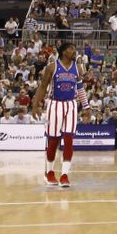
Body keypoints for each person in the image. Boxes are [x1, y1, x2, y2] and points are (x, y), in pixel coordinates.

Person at [31, 43, 83, 188]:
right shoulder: (52, 67)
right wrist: (35, 106)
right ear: (63, 52)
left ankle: (65, 175)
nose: (74, 51)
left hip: (71, 105)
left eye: (74, 48)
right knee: (53, 140)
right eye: (71, 48)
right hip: (55, 104)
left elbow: (80, 87)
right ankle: (49, 172)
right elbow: (42, 87)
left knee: (68, 139)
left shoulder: (78, 68)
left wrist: (86, 105)